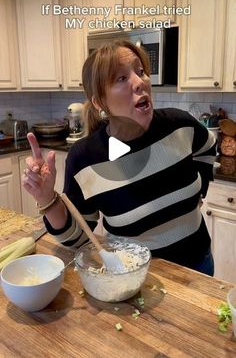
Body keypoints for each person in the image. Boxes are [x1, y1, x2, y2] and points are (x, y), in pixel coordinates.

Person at [22, 40, 216, 276]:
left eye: (141, 71)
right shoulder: (86, 158)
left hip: (198, 267)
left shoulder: (180, 125)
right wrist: (47, 198)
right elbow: (78, 239)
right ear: (99, 102)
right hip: (134, 277)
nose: (140, 82)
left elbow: (207, 147)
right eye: (121, 78)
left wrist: (201, 189)